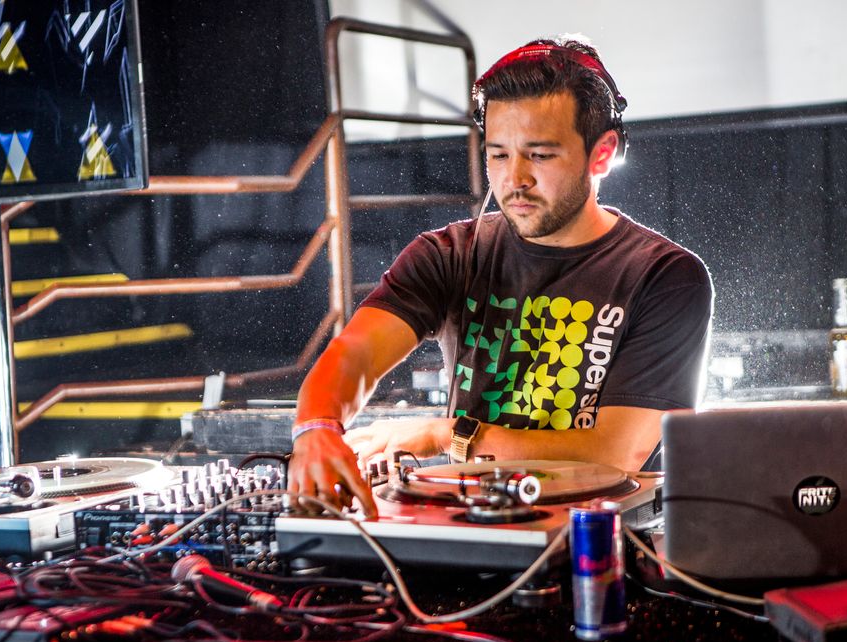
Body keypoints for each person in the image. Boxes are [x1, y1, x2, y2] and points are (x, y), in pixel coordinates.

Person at [288, 35, 713, 518]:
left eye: (540, 155)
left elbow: (614, 454)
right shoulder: (447, 255)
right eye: (499, 154)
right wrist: (317, 428)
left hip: (601, 538)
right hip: (473, 520)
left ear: (602, 154)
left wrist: (446, 435)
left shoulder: (665, 277)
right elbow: (356, 354)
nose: (515, 180)